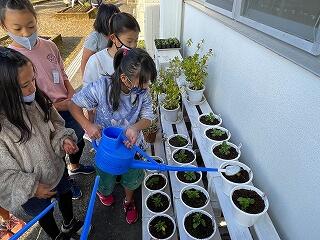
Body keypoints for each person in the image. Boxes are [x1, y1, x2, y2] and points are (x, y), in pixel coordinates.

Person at [0, 0, 95, 198]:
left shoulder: (50, 46)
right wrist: (60, 104)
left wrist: (71, 96)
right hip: (44, 114)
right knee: (53, 155)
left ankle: (74, 167)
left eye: (31, 25)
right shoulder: (10, 62)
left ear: (37, 19)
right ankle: (65, 181)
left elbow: (63, 74)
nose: (26, 33)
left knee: (75, 141)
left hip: (68, 106)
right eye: (17, 28)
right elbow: (22, 100)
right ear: (4, 26)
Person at [0, 47, 85, 240]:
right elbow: (2, 175)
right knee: (43, 213)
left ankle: (69, 223)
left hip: (56, 168)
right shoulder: (2, 126)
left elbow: (56, 124)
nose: (33, 88)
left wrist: (63, 140)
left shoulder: (38, 99)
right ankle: (56, 235)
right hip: (32, 191)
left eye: (33, 79)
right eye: (25, 85)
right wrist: (32, 188)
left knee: (64, 194)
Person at [69, 48, 156, 224]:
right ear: (125, 78)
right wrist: (88, 125)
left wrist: (135, 127)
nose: (146, 87)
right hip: (106, 148)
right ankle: (104, 191)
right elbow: (73, 105)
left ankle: (128, 201)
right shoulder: (101, 87)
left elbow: (148, 117)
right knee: (105, 177)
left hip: (132, 147)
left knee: (131, 178)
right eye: (143, 82)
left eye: (148, 83)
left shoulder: (142, 94)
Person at [83, 11, 140, 123]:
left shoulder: (135, 60)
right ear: (113, 38)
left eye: (136, 41)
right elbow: (87, 95)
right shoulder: (96, 62)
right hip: (105, 127)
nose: (133, 46)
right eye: (129, 41)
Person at [80, 3, 120, 76]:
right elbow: (85, 61)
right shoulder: (95, 38)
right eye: (114, 19)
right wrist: (87, 82)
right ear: (104, 19)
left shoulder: (118, 35)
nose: (117, 21)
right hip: (98, 78)